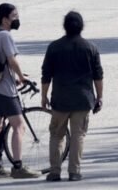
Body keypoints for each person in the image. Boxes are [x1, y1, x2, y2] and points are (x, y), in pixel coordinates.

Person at [41, 11, 104, 182]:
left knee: (56, 135)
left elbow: (46, 74)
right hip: (83, 99)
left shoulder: (54, 47)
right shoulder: (90, 48)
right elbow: (98, 75)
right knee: (78, 135)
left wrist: (44, 96)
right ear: (81, 26)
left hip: (60, 99)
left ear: (65, 26)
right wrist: (100, 97)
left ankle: (54, 171)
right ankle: (74, 171)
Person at [0, 3, 39, 179]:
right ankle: (18, 166)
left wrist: (14, 76)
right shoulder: (4, 35)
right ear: (5, 19)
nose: (17, 19)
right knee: (19, 126)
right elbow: (11, 61)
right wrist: (22, 77)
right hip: (5, 90)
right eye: (14, 16)